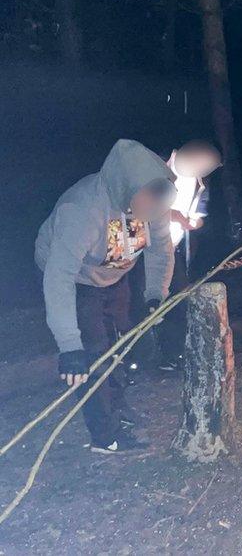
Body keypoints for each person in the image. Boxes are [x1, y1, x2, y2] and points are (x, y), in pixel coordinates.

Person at [35, 139, 176, 453]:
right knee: (93, 352)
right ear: (125, 186)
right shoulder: (82, 210)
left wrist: (156, 294)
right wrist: (70, 346)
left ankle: (116, 405)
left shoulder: (156, 199)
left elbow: (161, 251)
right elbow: (58, 278)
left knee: (117, 343)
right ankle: (105, 435)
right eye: (145, 199)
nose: (151, 210)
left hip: (114, 276)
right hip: (78, 283)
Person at [156, 140, 223, 371]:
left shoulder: (200, 182)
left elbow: (200, 212)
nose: (205, 172)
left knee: (180, 298)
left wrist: (194, 222)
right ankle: (144, 356)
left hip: (172, 248)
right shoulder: (157, 165)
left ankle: (173, 354)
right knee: (148, 303)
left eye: (209, 169)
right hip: (143, 249)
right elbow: (137, 205)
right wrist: (172, 215)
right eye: (204, 165)